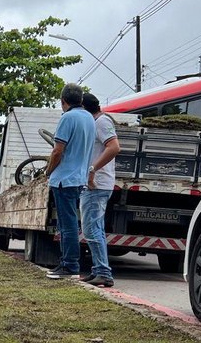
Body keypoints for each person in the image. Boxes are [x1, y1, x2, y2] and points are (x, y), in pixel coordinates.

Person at [45, 83, 95, 279]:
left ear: (63, 101)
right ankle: (70, 264)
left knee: (67, 225)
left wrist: (49, 171)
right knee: (72, 222)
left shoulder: (67, 118)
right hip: (79, 178)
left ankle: (69, 265)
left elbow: (58, 150)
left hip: (63, 179)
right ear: (81, 100)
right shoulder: (89, 118)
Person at [81, 93, 121, 287]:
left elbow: (114, 147)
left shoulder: (101, 122)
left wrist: (92, 169)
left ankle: (104, 272)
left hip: (97, 184)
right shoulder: (96, 123)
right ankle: (98, 270)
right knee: (93, 228)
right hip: (96, 183)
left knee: (92, 228)